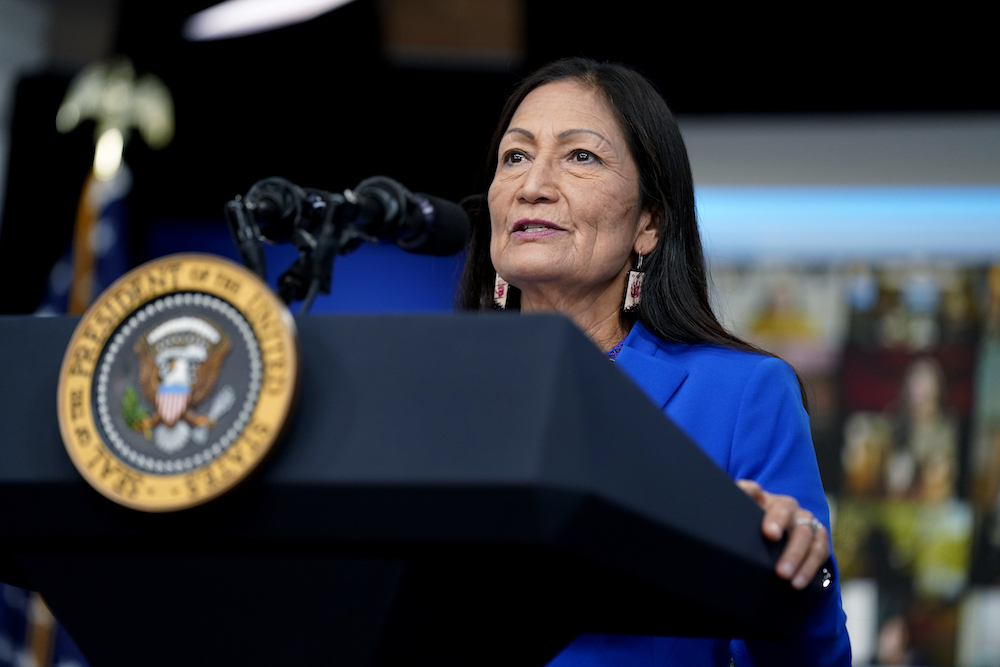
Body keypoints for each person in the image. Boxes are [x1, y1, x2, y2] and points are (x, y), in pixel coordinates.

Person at [457, 57, 851, 666]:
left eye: (580, 156)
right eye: (515, 156)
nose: (532, 183)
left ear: (649, 222)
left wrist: (798, 574)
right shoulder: (437, 391)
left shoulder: (742, 395)